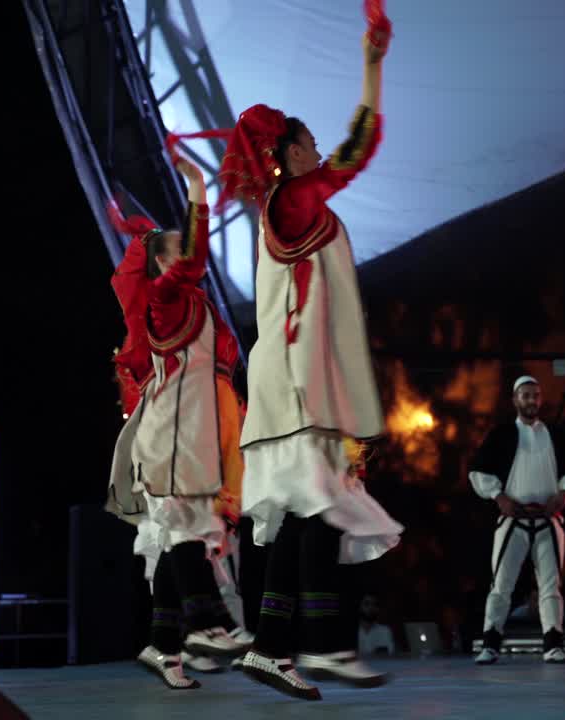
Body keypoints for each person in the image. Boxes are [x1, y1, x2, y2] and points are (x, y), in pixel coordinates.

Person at [218, 20, 402, 700]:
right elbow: (356, 153)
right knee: (316, 511)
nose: (318, 148)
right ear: (288, 154)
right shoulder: (292, 202)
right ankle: (324, 646)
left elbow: (348, 153)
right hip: (294, 387)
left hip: (297, 385)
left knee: (307, 515)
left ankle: (277, 648)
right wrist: (371, 68)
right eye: (307, 142)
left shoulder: (289, 206)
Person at [106, 157, 251, 690]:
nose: (191, 256)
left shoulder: (196, 304)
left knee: (178, 541)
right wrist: (196, 189)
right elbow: (193, 258)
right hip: (171, 434)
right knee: (187, 534)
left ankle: (164, 646)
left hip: (199, 430)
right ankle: (209, 623)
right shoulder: (166, 299)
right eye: (179, 249)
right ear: (163, 264)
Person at [469, 376, 565, 665]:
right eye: (526, 395)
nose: (532, 400)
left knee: (550, 586)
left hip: (548, 520)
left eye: (535, 395)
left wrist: (563, 494)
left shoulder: (556, 434)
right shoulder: (501, 434)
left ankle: (553, 644)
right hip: (514, 519)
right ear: (515, 400)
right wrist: (499, 497)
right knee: (502, 584)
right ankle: (490, 644)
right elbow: (479, 473)